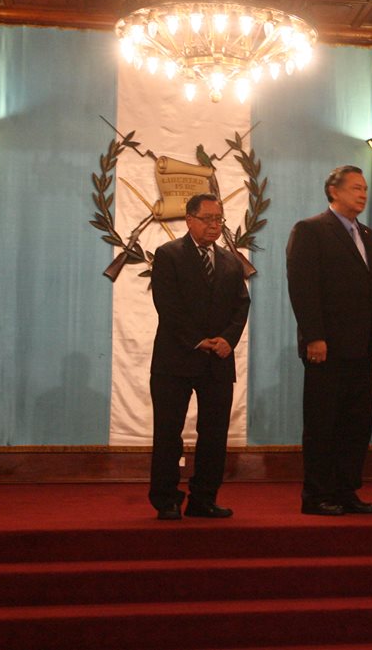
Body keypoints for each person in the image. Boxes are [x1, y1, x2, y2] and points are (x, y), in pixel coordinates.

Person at [286, 165, 372, 516]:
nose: (363, 194)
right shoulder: (311, 230)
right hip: (326, 348)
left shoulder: (369, 236)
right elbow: (303, 289)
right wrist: (314, 336)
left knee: (356, 424)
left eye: (365, 188)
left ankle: (347, 490)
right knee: (323, 424)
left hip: (362, 348)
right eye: (355, 188)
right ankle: (317, 495)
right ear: (333, 191)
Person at [148, 193, 251, 520]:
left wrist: (227, 339)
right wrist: (198, 340)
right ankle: (166, 500)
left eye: (219, 219)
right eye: (207, 218)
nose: (214, 225)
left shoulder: (231, 261)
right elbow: (167, 306)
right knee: (168, 432)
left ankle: (204, 498)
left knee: (215, 433)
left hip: (218, 361)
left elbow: (241, 305)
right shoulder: (169, 255)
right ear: (190, 219)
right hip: (175, 359)